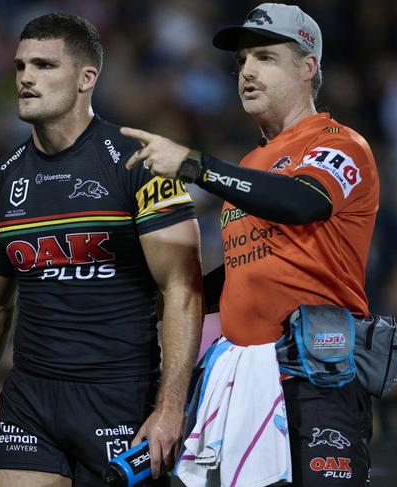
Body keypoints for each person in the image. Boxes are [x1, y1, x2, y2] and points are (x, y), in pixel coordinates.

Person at [0, 13, 203, 487]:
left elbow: (182, 289)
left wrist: (170, 408)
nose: (26, 78)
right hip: (31, 402)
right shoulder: (2, 180)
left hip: (120, 396)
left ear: (87, 78)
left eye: (44, 65)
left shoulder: (140, 164)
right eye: (20, 67)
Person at [121, 3, 378, 486]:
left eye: (264, 57)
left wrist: (196, 165)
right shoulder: (251, 164)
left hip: (316, 379)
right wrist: (155, 298)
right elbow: (247, 270)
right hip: (245, 376)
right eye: (241, 61)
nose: (246, 72)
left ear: (308, 67)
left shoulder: (340, 144)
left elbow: (303, 203)